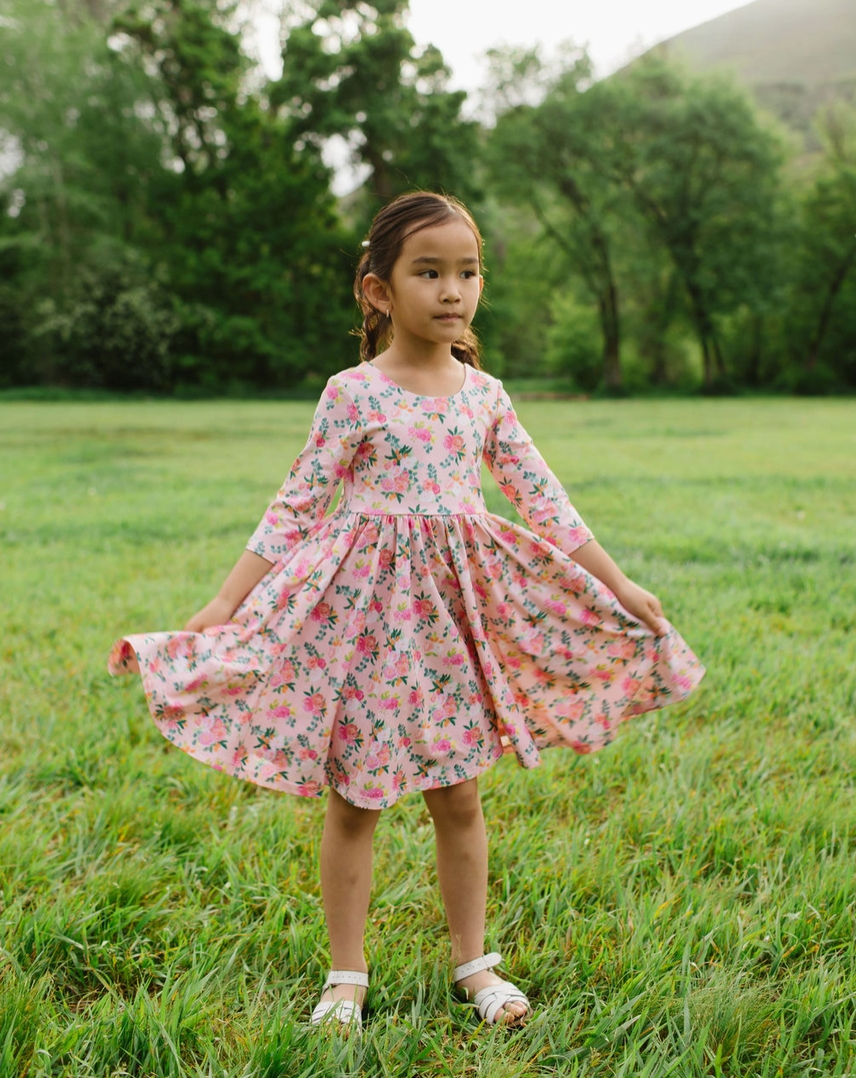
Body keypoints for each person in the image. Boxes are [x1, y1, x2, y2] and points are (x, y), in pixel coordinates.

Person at [109, 191, 705, 1032]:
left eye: (467, 272)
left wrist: (617, 583)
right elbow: (295, 505)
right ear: (379, 291)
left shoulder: (485, 395)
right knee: (357, 801)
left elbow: (547, 503)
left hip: (451, 630)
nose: (453, 290)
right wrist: (223, 603)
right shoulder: (353, 394)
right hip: (362, 626)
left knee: (459, 796)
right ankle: (345, 974)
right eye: (430, 272)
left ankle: (475, 963)